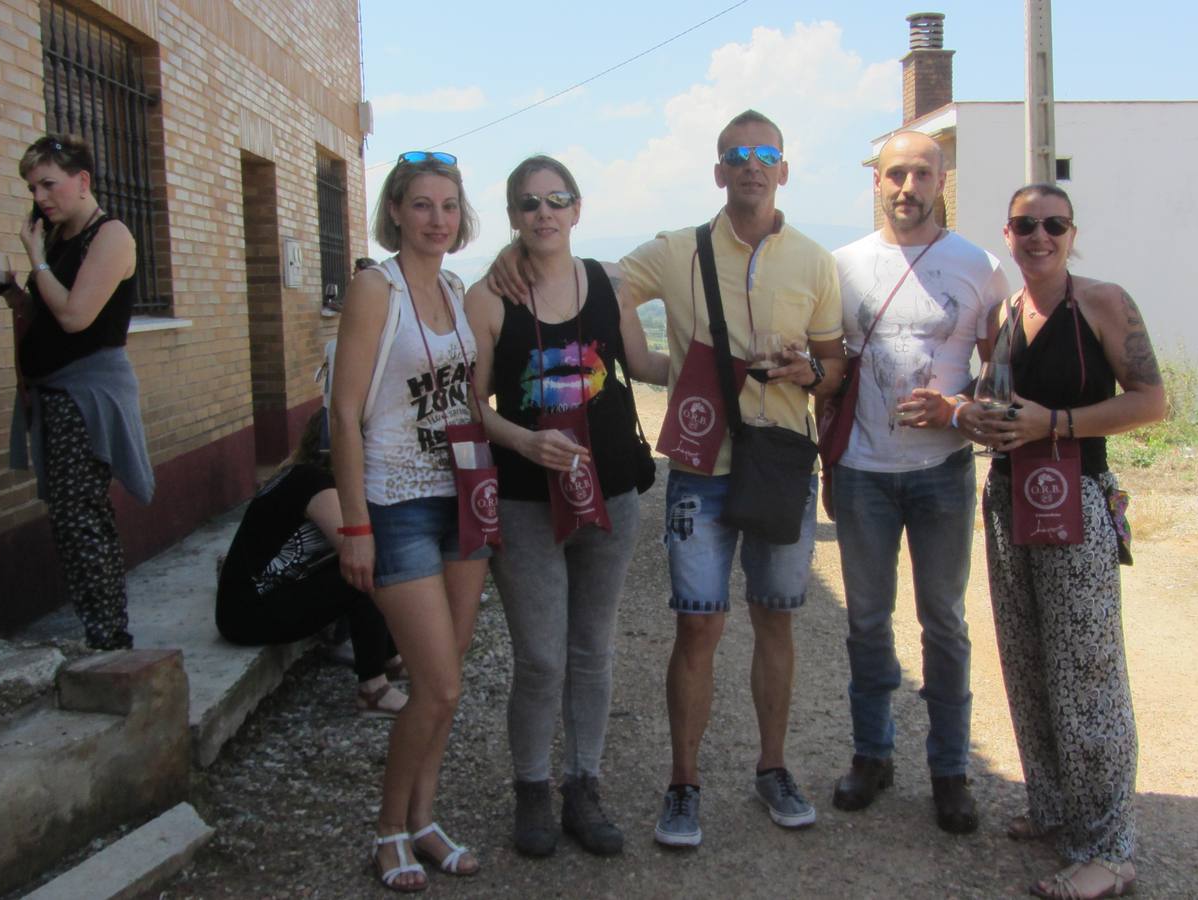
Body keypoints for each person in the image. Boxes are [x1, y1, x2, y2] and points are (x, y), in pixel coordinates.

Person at [493, 109, 845, 848]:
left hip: (780, 464)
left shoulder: (814, 261)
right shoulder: (676, 252)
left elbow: (833, 365)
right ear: (718, 171)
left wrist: (809, 370)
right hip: (698, 468)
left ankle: (772, 769)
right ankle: (681, 785)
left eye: (764, 154)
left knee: (775, 618)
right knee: (697, 624)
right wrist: (510, 256)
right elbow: (590, 280)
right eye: (735, 154)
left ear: (783, 168)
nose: (750, 165)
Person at [465, 155, 669, 858]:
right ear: (514, 217)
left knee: (591, 652)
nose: (543, 213)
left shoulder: (608, 284)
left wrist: (725, 362)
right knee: (541, 658)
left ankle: (583, 786)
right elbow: (468, 407)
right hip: (525, 501)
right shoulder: (489, 298)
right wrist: (526, 440)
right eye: (528, 204)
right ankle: (530, 789)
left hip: (610, 495)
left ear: (577, 210)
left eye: (556, 200)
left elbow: (643, 365)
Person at [970, 184, 1165, 899]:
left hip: (1076, 498)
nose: (1039, 236)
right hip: (1008, 498)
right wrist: (965, 413)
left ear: (1071, 232)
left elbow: (1150, 401)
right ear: (1009, 232)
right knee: (1026, 660)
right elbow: (996, 404)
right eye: (1025, 225)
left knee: (1087, 674)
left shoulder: (1102, 302)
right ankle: (1054, 808)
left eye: (1053, 225)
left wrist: (1053, 422)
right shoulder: (1004, 313)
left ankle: (1109, 850)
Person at [826, 131, 1008, 832]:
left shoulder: (980, 268)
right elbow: (831, 377)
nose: (908, 187)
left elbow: (1000, 381)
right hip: (863, 473)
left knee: (946, 625)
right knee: (866, 623)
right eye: (895, 174)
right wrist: (826, 465)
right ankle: (871, 755)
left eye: (921, 174)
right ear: (877, 180)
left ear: (942, 180)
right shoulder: (841, 267)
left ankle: (949, 769)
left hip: (942, 473)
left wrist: (957, 408)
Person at [331, 151, 489, 892]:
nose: (436, 219)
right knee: (439, 685)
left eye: (449, 206)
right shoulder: (375, 288)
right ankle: (388, 830)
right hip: (395, 504)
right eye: (422, 205)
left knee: (445, 683)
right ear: (395, 211)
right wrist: (354, 523)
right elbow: (342, 410)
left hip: (460, 496)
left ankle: (425, 821)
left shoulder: (457, 289)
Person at [0, 133, 153, 651]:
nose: (39, 197)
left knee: (83, 516)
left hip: (89, 395)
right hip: (54, 393)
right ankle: (98, 628)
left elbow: (77, 316)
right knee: (67, 516)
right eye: (33, 186)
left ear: (82, 181)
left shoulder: (111, 237)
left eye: (49, 184)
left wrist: (35, 261)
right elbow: (41, 317)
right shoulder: (57, 240)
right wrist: (11, 289)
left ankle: (110, 637)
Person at [214, 412, 406, 717]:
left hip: (254, 602)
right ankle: (373, 688)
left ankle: (389, 658)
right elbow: (354, 549)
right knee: (365, 569)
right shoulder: (314, 484)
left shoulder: (300, 474)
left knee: (363, 564)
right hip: (247, 615)